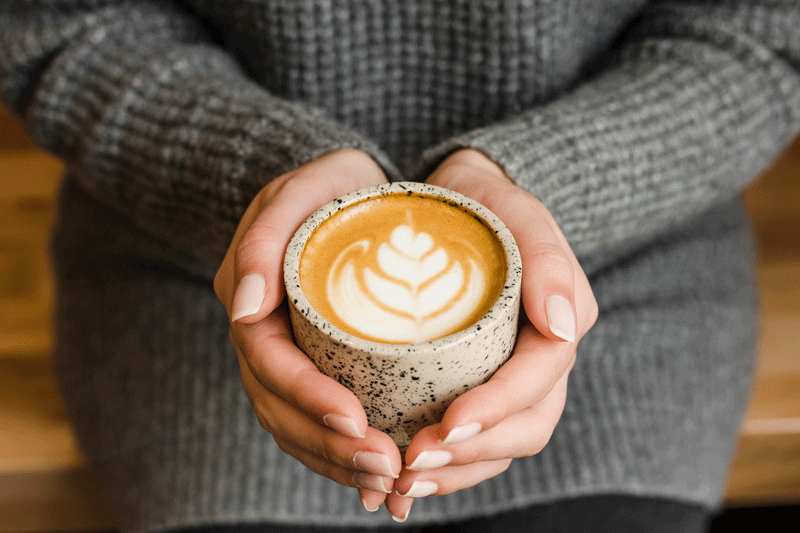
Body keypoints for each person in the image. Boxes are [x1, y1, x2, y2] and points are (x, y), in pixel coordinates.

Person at [1, 1, 798, 532]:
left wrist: (539, 185)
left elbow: (767, 31)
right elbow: (59, 27)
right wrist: (261, 178)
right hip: (198, 282)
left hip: (623, 268)